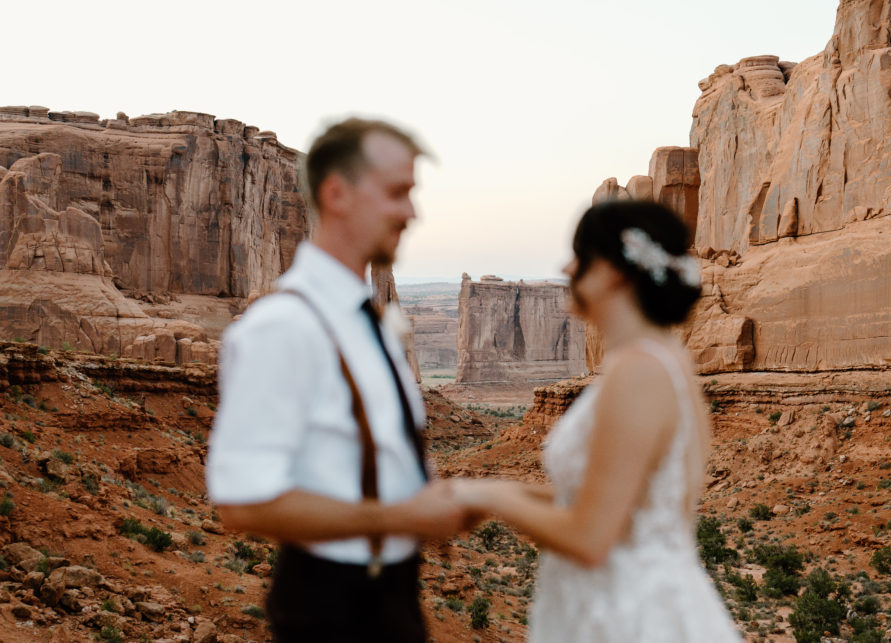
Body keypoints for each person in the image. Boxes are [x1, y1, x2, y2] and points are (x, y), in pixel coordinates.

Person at [206, 118, 464, 642]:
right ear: (336, 193)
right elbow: (241, 499)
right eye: (398, 192)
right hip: (331, 612)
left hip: (390, 602)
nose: (412, 212)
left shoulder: (364, 320)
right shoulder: (284, 327)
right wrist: (399, 515)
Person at [452, 200, 742, 641]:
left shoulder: (638, 371)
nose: (566, 267)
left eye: (580, 255)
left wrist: (494, 498)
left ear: (614, 272)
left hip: (632, 618)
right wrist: (504, 490)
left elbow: (591, 537)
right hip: (635, 605)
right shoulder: (663, 360)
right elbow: (614, 502)